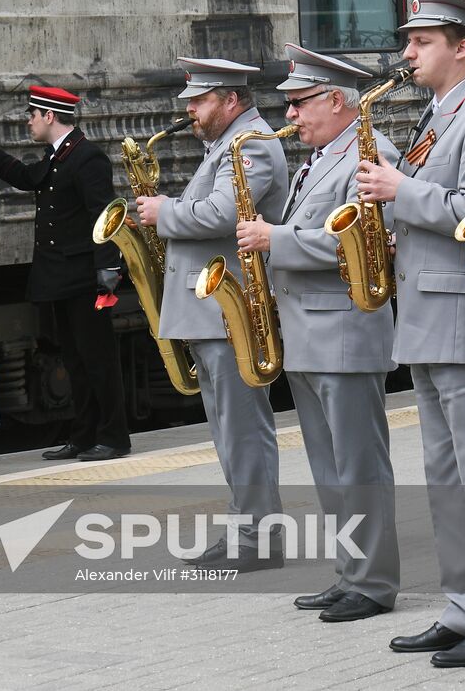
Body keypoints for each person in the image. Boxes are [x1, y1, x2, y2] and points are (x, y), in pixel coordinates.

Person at [356, 0, 465, 668]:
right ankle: (464, 606)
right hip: (430, 316)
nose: (408, 52)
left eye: (421, 41)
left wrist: (403, 192)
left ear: (462, 47)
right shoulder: (437, 115)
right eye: (409, 40)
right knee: (445, 477)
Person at [235, 44, 400, 618]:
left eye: (300, 103)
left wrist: (273, 239)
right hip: (312, 334)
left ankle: (374, 582)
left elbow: (361, 245)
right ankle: (351, 571)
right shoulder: (322, 156)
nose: (291, 117)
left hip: (347, 333)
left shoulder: (368, 154)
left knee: (359, 465)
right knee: (330, 468)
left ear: (336, 99)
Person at [134, 58, 288, 572]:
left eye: (198, 102)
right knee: (228, 430)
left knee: (243, 429)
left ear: (230, 100)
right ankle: (246, 526)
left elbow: (224, 214)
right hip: (213, 313)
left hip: (231, 313)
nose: (190, 112)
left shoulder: (253, 145)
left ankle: (260, 536)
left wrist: (164, 213)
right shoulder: (227, 146)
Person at [0, 86, 131, 461]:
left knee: (98, 360)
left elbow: (105, 215)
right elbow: (28, 178)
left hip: (86, 278)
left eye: (32, 114)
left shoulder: (87, 157)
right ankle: (83, 435)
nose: (28, 121)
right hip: (61, 277)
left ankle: (114, 437)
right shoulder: (58, 156)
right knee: (74, 360)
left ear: (49, 116)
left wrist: (109, 267)